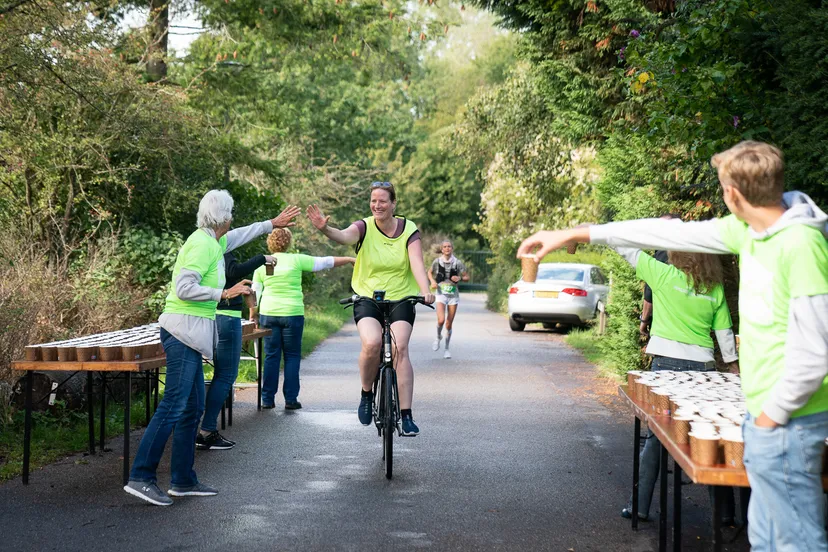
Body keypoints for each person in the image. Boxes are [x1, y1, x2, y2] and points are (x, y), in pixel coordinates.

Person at [517, 141, 828, 550]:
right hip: (766, 416)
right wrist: (577, 233)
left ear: (734, 192)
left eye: (722, 188)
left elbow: (816, 352)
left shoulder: (801, 244)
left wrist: (770, 418)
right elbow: (665, 231)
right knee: (769, 542)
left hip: (789, 423)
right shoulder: (750, 231)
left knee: (796, 545)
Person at [124, 191, 299, 506]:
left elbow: (240, 236)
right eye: (231, 214)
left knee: (191, 408)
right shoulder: (202, 245)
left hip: (190, 335)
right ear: (224, 217)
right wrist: (224, 292)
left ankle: (183, 481)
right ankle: (141, 476)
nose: (233, 220)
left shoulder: (213, 240)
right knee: (174, 406)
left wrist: (271, 223)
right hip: (181, 333)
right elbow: (183, 287)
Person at [614, 246, 738, 522]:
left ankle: (640, 507)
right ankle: (725, 513)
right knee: (709, 437)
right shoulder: (713, 287)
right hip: (702, 368)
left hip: (666, 367)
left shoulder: (661, 274)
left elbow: (625, 249)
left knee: (657, 437)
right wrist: (732, 365)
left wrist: (591, 232)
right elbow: (724, 332)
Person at [306, 182, 435, 436]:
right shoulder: (364, 227)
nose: (377, 205)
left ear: (394, 204)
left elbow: (417, 264)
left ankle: (406, 415)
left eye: (383, 201)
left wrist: (425, 290)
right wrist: (325, 229)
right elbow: (344, 236)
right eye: (373, 200)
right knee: (372, 343)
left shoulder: (409, 230)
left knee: (400, 349)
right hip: (367, 297)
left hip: (402, 297)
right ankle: (367, 394)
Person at [250, 228, 355, 410]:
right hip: (292, 313)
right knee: (291, 356)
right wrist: (348, 259)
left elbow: (255, 292)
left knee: (272, 356)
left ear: (270, 243)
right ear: (289, 242)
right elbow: (325, 262)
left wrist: (253, 315)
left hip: (269, 313)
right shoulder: (296, 260)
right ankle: (291, 399)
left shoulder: (263, 264)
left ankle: (267, 399)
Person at [196, 250, 276, 451]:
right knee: (225, 375)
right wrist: (261, 259)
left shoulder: (205, 248)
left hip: (210, 314)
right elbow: (232, 271)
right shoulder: (222, 246)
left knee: (214, 374)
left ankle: (200, 430)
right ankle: (206, 431)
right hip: (226, 316)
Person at [428, 240, 469, 359]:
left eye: (449, 246)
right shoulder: (437, 262)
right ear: (441, 249)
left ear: (452, 248)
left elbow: (466, 277)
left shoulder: (457, 262)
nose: (447, 248)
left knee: (448, 323)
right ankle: (438, 337)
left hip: (453, 296)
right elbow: (429, 273)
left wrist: (460, 277)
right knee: (441, 320)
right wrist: (433, 281)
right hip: (441, 294)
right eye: (445, 247)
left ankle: (446, 348)